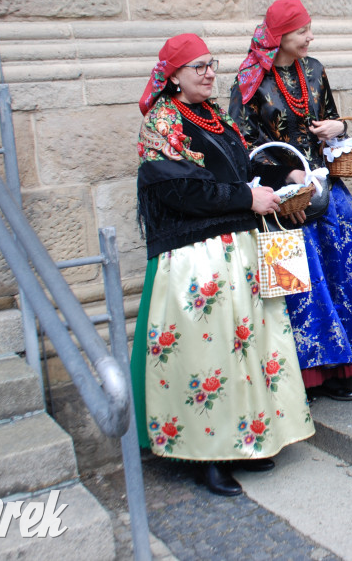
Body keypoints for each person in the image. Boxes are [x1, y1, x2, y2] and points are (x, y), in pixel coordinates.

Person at [131, 33, 314, 497]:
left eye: (210, 64)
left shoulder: (213, 115)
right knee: (207, 358)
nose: (209, 72)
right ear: (172, 76)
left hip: (239, 254)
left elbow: (239, 170)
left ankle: (250, 440)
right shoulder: (163, 121)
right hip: (197, 260)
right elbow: (180, 191)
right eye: (197, 67)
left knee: (247, 352)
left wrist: (281, 176)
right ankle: (206, 456)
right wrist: (245, 197)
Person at [229, 0, 352, 401]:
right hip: (285, 200)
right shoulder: (249, 81)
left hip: (324, 187)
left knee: (348, 260)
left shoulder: (315, 70)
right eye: (302, 30)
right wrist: (286, 173)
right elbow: (243, 144)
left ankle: (349, 359)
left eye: (309, 29)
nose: (309, 36)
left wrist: (337, 126)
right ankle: (313, 374)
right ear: (280, 35)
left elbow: (331, 126)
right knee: (300, 281)